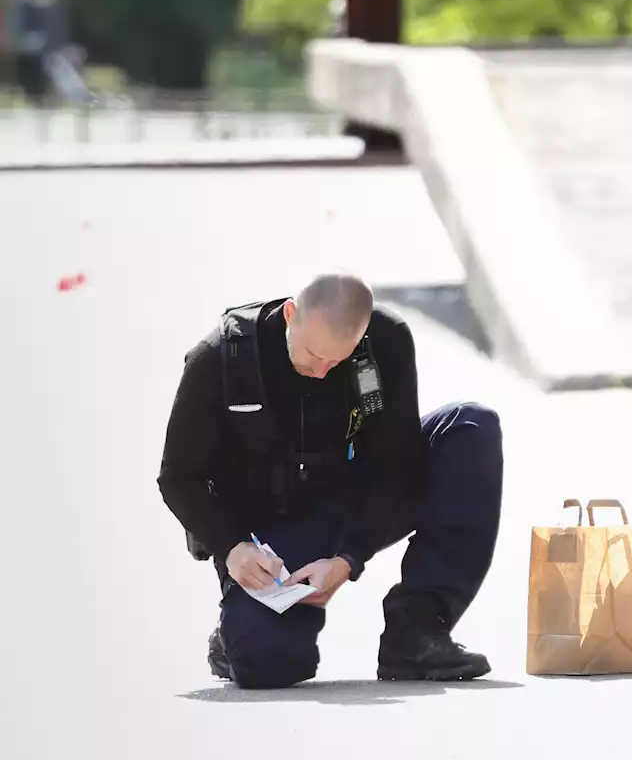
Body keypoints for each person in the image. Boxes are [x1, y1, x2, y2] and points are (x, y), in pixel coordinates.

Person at [157, 272, 504, 689]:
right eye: (312, 354)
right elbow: (178, 476)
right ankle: (233, 637)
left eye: (336, 361)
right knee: (268, 663)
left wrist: (349, 558)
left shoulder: (385, 342)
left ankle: (416, 632)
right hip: (274, 531)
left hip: (359, 497)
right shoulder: (220, 359)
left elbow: (396, 461)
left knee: (471, 427)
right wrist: (231, 546)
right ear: (291, 315)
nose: (321, 372)